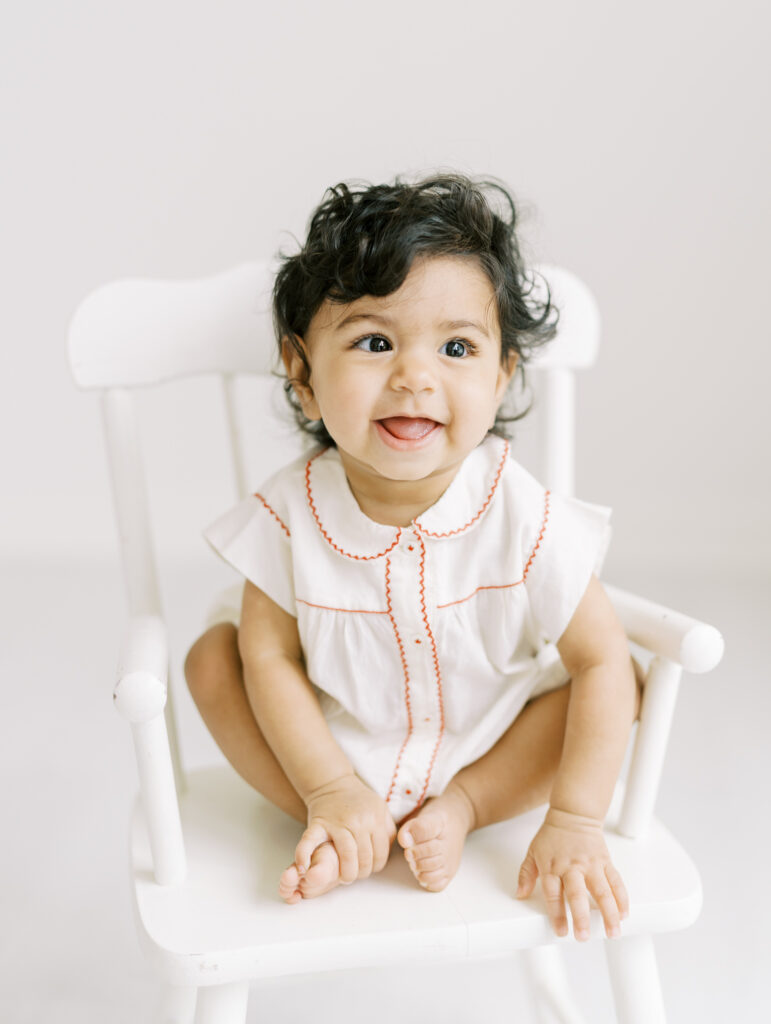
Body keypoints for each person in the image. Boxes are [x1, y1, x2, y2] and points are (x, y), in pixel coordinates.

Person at [185, 174, 639, 943]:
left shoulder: (517, 506)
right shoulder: (290, 511)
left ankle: (461, 808)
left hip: (492, 738)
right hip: (330, 741)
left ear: (500, 378)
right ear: (302, 375)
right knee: (212, 661)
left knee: (621, 683)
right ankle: (343, 820)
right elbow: (269, 661)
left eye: (456, 347)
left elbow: (599, 659)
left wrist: (575, 817)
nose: (414, 376)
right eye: (373, 342)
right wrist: (328, 782)